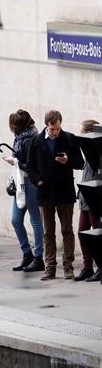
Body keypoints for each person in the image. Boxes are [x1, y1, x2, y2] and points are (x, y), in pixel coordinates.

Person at [28, 110, 86, 280]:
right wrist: (37, 180)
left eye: (58, 128)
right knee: (48, 231)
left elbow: (81, 163)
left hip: (64, 190)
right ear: (47, 126)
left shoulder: (69, 138)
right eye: (52, 129)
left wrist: (68, 160)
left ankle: (68, 266)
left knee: (67, 229)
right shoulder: (36, 141)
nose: (55, 132)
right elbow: (30, 166)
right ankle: (50, 267)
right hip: (45, 192)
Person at [3, 110, 45, 272]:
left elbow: (31, 165)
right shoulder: (23, 137)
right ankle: (27, 253)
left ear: (17, 126)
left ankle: (38, 256)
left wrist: (14, 162)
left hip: (30, 181)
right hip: (22, 181)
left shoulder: (29, 140)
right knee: (16, 219)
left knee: (35, 219)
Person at [76, 119, 101, 281]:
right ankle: (87, 267)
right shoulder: (88, 151)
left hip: (94, 198)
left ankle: (100, 267)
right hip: (85, 197)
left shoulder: (97, 152)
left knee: (95, 232)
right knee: (82, 232)